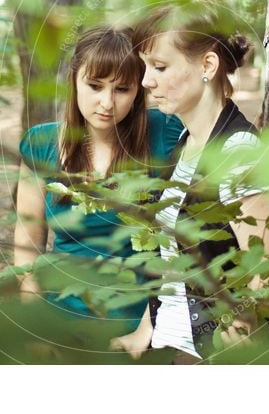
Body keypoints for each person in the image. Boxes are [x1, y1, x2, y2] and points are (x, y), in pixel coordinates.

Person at [111, 0, 269, 360]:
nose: (146, 81)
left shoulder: (237, 150)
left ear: (207, 65)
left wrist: (239, 331)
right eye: (146, 67)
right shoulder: (184, 144)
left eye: (159, 66)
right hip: (174, 343)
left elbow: (268, 269)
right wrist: (146, 329)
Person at [14, 26, 183, 337]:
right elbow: (27, 245)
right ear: (74, 82)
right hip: (60, 310)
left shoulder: (167, 133)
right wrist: (34, 321)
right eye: (95, 86)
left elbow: (191, 241)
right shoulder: (42, 144)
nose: (107, 102)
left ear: (138, 90)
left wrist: (152, 327)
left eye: (121, 89)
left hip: (143, 318)